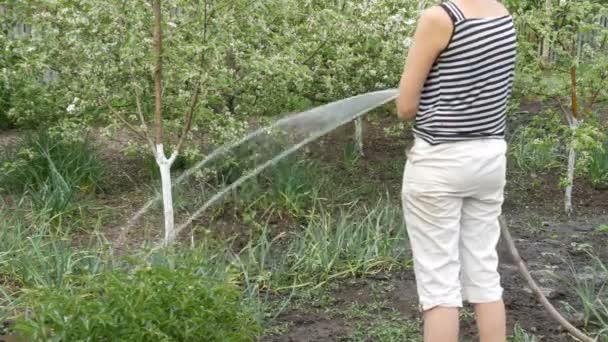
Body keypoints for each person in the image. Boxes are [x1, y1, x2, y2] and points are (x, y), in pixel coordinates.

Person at [396, 0, 516, 341]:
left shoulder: (439, 18)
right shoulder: (501, 13)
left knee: (439, 287)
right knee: (484, 276)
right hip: (489, 158)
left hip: (440, 164)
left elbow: (405, 107)